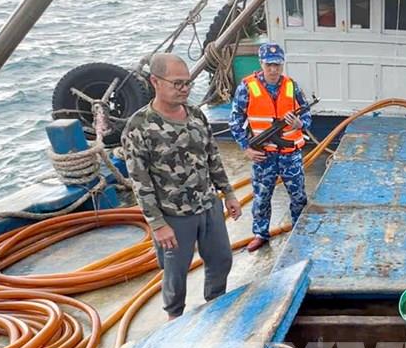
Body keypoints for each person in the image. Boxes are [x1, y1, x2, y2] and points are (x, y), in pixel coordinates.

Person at [122, 53, 242, 320]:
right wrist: (157, 224)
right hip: (174, 216)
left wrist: (229, 194)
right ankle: (174, 318)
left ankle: (215, 307)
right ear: (155, 81)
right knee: (175, 273)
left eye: (187, 83)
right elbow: (140, 182)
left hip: (208, 206)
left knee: (222, 259)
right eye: (177, 83)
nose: (184, 89)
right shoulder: (139, 127)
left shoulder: (196, 114)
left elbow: (212, 156)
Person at [229, 42, 312, 252]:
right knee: (262, 197)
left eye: (277, 65)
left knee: (298, 196)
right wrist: (246, 148)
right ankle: (260, 233)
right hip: (263, 155)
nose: (273, 70)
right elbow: (235, 121)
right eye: (269, 65)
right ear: (261, 64)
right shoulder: (247, 87)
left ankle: (299, 230)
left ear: (282, 64)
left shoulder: (292, 86)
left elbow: (307, 114)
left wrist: (300, 124)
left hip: (290, 154)